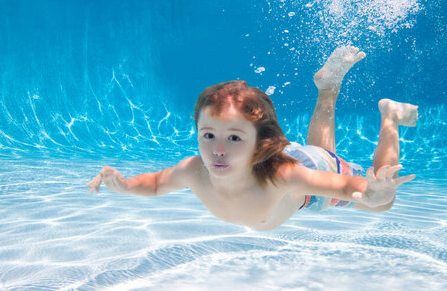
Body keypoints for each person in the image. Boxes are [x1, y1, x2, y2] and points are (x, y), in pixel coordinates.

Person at [87, 46, 418, 231]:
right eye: (208, 135)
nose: (217, 149)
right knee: (322, 153)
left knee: (380, 200)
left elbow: (347, 188)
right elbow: (158, 182)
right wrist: (125, 185)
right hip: (295, 161)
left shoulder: (282, 175)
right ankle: (329, 88)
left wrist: (373, 194)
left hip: (302, 174)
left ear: (261, 141)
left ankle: (389, 118)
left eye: (233, 138)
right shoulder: (194, 170)